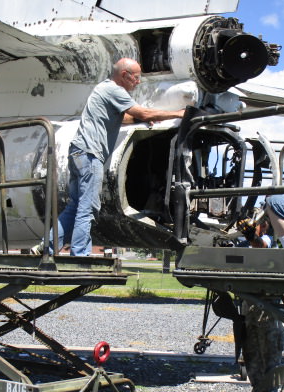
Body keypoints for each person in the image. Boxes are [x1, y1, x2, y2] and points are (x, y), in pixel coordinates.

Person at [53, 58, 186, 256]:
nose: (138, 82)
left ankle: (45, 247)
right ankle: (79, 254)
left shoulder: (103, 89)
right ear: (124, 75)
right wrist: (177, 114)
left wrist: (145, 118)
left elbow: (123, 117)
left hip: (78, 153)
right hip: (90, 155)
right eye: (136, 77)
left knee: (74, 207)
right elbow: (143, 112)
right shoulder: (115, 90)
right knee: (88, 207)